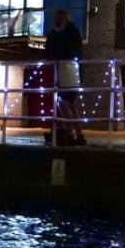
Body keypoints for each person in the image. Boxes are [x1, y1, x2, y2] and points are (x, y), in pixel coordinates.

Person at [44, 9, 86, 146]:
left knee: (69, 103)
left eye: (59, 18)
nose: (57, 20)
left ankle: (74, 133)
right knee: (64, 103)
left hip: (68, 68)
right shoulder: (54, 34)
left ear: (65, 19)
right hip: (59, 69)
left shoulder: (70, 32)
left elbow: (75, 50)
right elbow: (48, 51)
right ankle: (72, 133)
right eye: (56, 18)